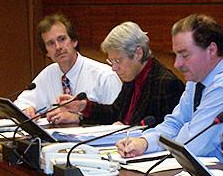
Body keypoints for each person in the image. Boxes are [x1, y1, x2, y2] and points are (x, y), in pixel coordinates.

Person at [116, 14, 223, 161]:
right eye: (176, 55)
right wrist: (144, 142)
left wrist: (164, 139)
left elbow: (193, 145)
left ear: (211, 50)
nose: (177, 64)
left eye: (184, 55)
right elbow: (174, 123)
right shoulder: (196, 80)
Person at [46, 21, 184, 125]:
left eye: (118, 60)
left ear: (138, 53)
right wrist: (84, 106)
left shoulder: (166, 84)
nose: (114, 68)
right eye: (111, 61)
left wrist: (128, 130)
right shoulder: (132, 77)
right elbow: (115, 112)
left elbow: (168, 131)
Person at [14, 13, 122, 118]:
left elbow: (118, 117)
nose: (58, 47)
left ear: (74, 41)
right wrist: (27, 110)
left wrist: (79, 118)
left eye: (62, 39)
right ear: (46, 52)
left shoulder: (104, 76)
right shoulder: (48, 74)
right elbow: (19, 104)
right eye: (51, 43)